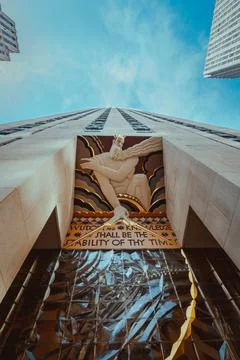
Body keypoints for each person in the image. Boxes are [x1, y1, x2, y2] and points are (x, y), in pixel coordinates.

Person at [81, 136, 151, 218]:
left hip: (132, 192)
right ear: (113, 141)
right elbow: (105, 185)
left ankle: (147, 214)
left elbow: (119, 176)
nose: (120, 145)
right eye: (118, 142)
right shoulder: (99, 159)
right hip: (114, 196)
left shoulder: (132, 157)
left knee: (140, 178)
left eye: (122, 143)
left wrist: (99, 167)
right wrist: (117, 206)